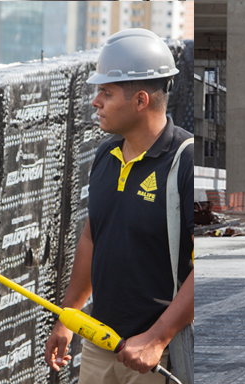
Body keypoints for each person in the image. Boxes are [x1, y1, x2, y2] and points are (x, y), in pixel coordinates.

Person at [43, 29, 195, 384]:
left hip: (155, 355)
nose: (95, 102)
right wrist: (68, 316)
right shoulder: (105, 155)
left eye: (106, 93)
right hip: (100, 342)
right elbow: (93, 237)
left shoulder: (184, 162)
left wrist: (157, 339)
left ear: (140, 101)